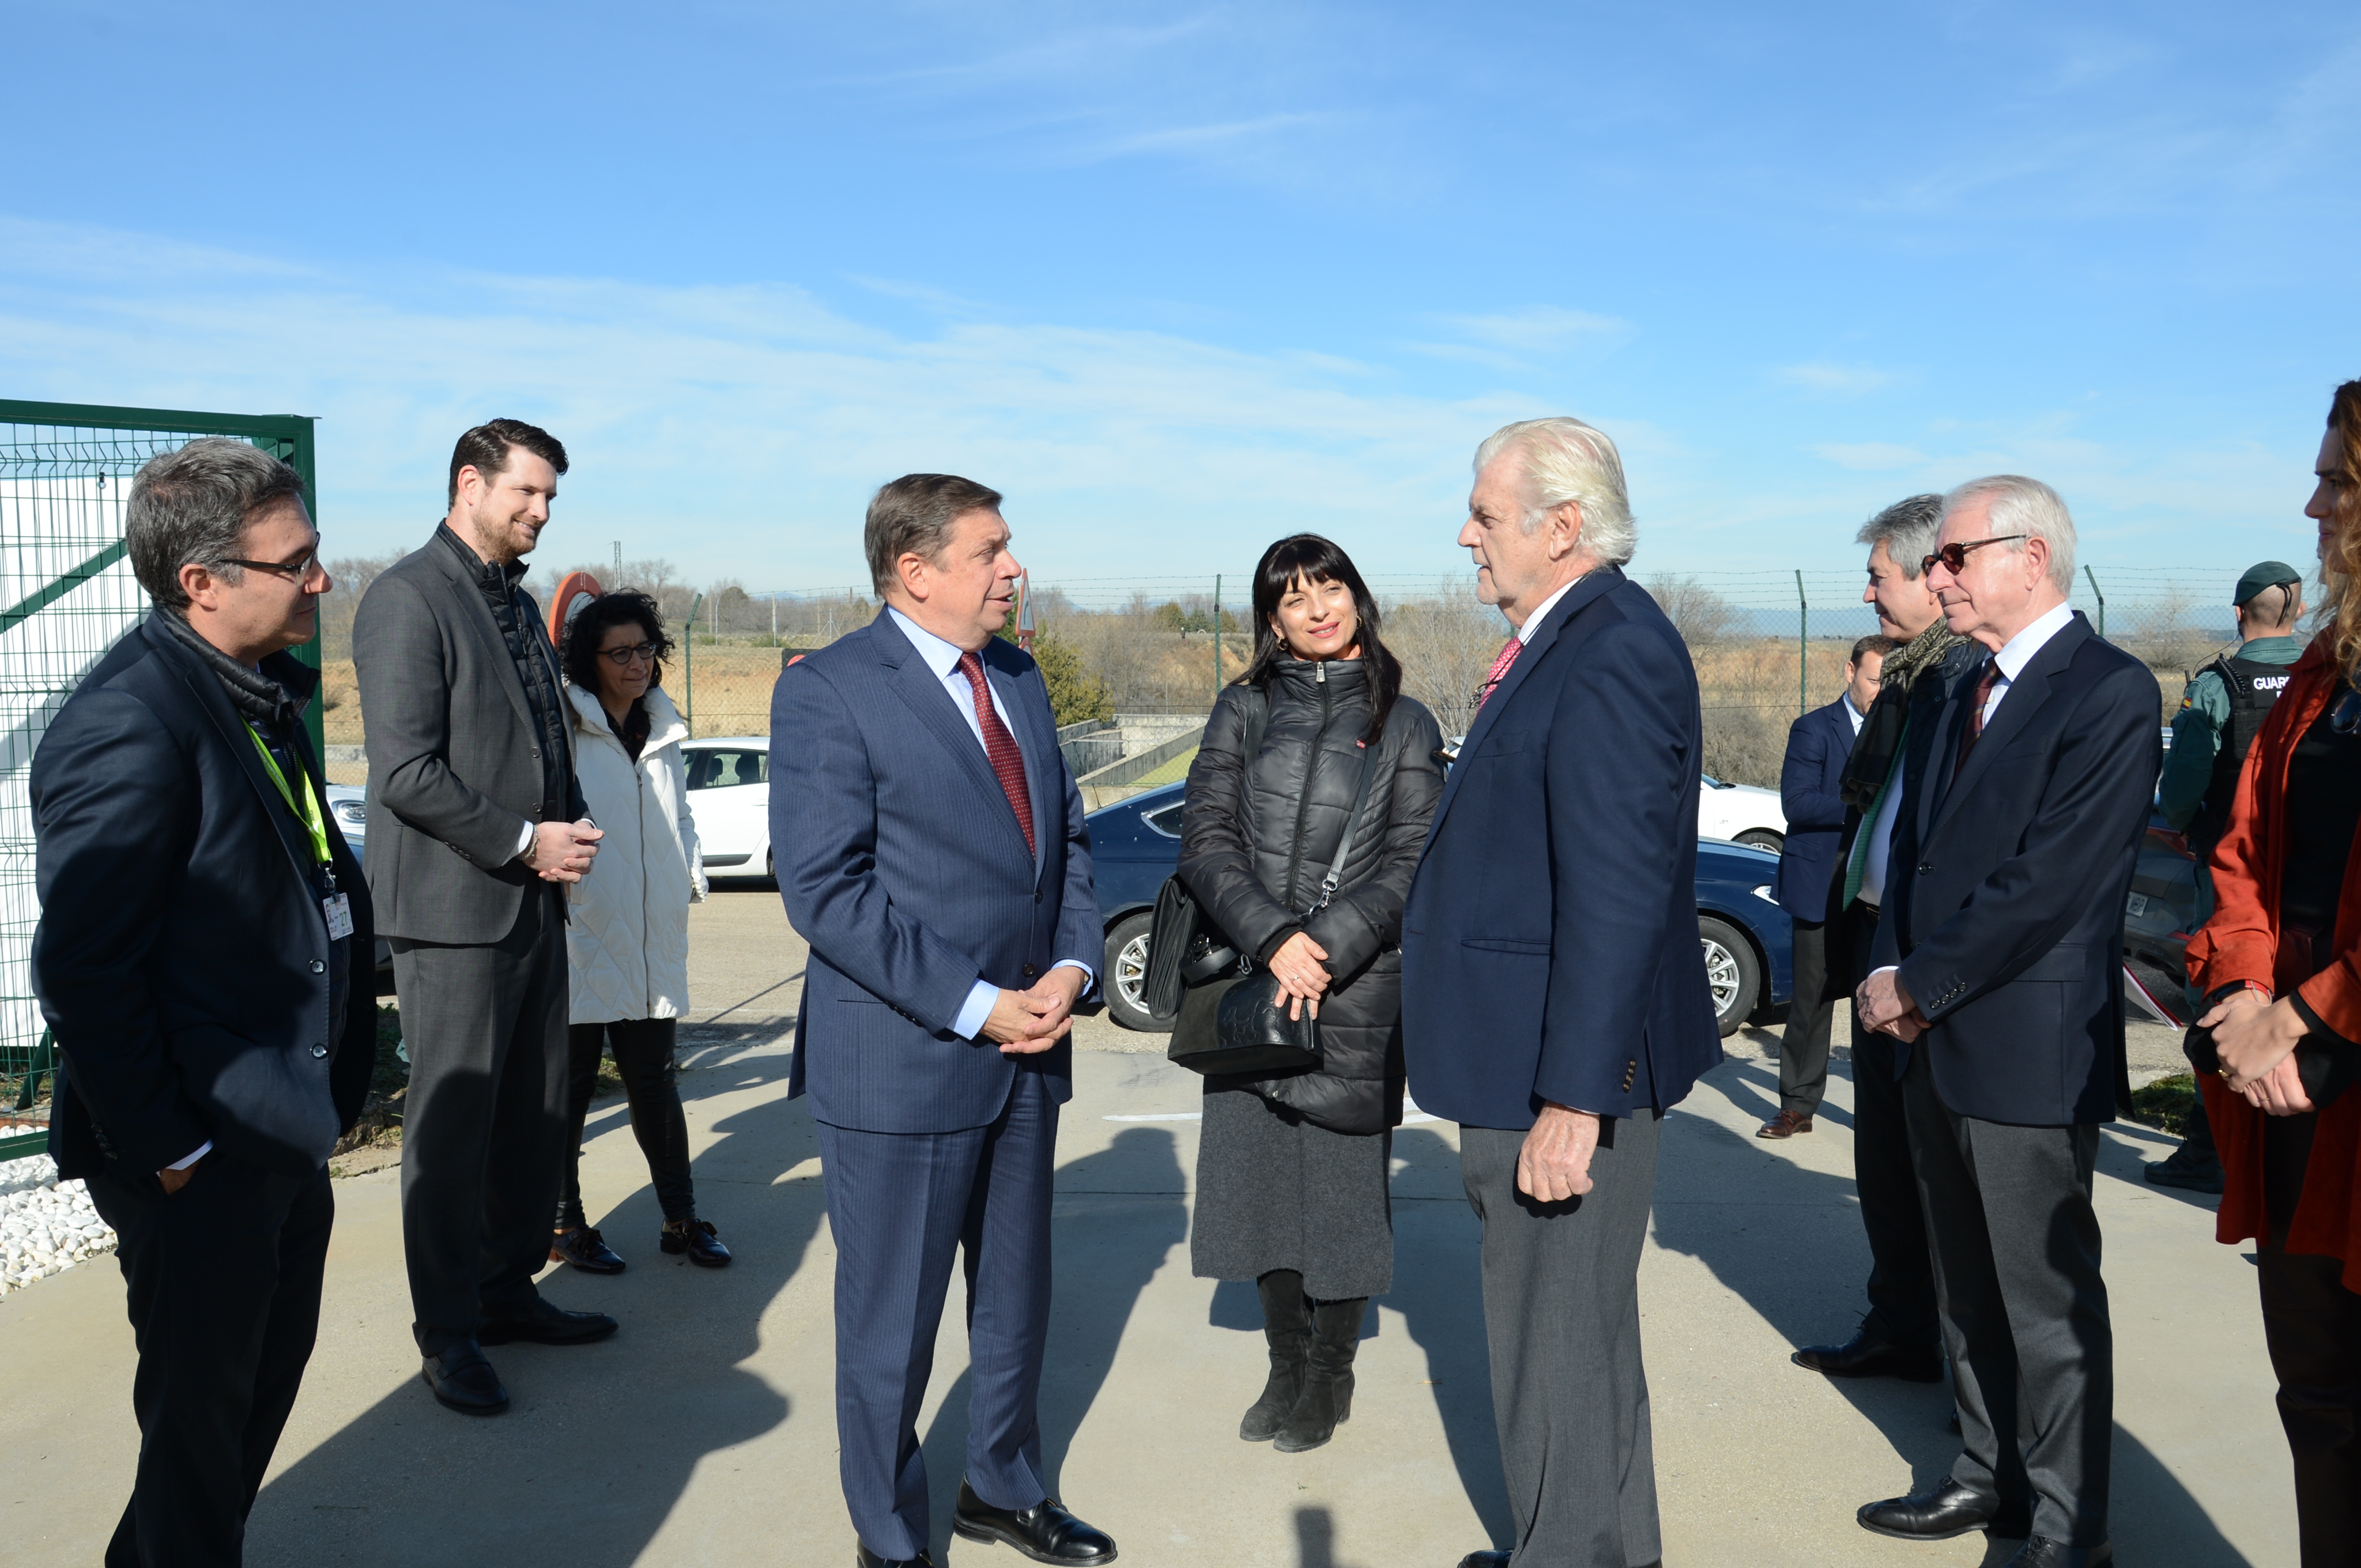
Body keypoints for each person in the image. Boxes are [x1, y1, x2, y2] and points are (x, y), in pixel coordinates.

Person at [29, 438, 378, 1565]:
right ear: (202, 582)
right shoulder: (130, 722)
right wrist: (172, 1149)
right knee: (197, 1430)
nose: (321, 577)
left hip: (273, 1125)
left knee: (239, 1412)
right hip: (199, 1148)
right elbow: (85, 969)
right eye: (296, 560)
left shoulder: (250, 691)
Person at [772, 474, 1114, 1568]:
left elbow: (1064, 840)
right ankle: (890, 1536)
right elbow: (826, 892)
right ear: (915, 572)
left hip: (1031, 1048)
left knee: (1015, 1299)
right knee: (892, 1329)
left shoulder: (1015, 675)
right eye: (991, 551)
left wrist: (1073, 964)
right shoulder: (830, 690)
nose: (1015, 569)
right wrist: (979, 1007)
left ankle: (1001, 1486)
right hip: (905, 1062)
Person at [1402, 417, 1723, 1568]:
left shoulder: (1609, 650)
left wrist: (1574, 1100)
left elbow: (1616, 896)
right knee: (1574, 1344)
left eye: (1485, 515)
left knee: (1554, 1347)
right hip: (1525, 1058)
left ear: (1562, 526)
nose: (1466, 535)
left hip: (1553, 1074)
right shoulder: (1572, 638)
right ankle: (1596, 1547)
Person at [1853, 475, 2159, 1568]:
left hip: (2028, 1048)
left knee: (2046, 1304)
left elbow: (2051, 883)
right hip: (1930, 1042)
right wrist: (1893, 977)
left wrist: (1916, 986)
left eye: (1954, 555)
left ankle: (2071, 1534)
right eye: (1935, 560)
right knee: (1963, 1287)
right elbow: (1918, 856)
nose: (1936, 575)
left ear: (2030, 559)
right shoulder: (1956, 687)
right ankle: (1989, 1478)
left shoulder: (2109, 691)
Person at [352, 419, 611, 1418]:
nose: (541, 513)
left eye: (551, 498)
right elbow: (406, 772)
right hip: (456, 911)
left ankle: (505, 1295)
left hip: (534, 902)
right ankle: (448, 1334)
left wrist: (568, 826)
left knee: (535, 1118)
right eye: (526, 494)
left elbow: (539, 737)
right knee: (454, 1134)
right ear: (470, 483)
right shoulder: (407, 597)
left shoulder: (520, 600)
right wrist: (526, 841)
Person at [1176, 533, 1444, 1453]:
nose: (1316, 609)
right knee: (1257, 1195)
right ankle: (1284, 1365)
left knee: (1339, 1203)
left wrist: (1323, 947)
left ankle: (1331, 1375)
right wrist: (1274, 938)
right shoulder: (1243, 708)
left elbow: (1414, 860)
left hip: (1355, 989)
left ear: (1355, 597)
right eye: (1293, 598)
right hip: (1251, 985)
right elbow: (1205, 839)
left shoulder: (1405, 723)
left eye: (1327, 588)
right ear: (1273, 621)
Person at [2185, 380, 2361, 1567]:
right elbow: (2244, 849)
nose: (2312, 506)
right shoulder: (2322, 670)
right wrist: (2246, 996)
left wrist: (2303, 1016)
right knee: (2318, 1398)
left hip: (2323, 1053)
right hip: (2292, 1091)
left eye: (2336, 481)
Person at [1787, 495, 1967, 1384]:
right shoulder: (1910, 681)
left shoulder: (1966, 682)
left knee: (1941, 1176)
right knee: (1886, 1161)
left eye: (1878, 576)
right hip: (1875, 937)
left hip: (1930, 962)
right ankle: (1899, 1325)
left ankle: (1969, 1367)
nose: (1868, 594)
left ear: (1937, 576)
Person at [549, 590, 730, 1273]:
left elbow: (679, 815)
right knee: (568, 1088)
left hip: (652, 932)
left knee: (654, 1081)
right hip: (582, 929)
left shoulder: (663, 726)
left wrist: (691, 876)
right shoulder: (565, 726)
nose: (636, 663)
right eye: (619, 652)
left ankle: (681, 1218)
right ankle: (564, 1222)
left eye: (646, 648)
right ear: (588, 660)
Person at [2146, 560, 2306, 1194]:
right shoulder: (2331, 678)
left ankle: (2209, 1148)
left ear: (2238, 614)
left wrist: (2189, 828)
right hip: (2318, 876)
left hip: (2231, 873)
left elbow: (2183, 787)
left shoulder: (2218, 686)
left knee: (2220, 993)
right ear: (2298, 612)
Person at [1760, 632, 1895, 1139]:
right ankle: (1797, 1105)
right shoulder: (1814, 728)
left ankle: (1879, 1114)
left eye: (1889, 684)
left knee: (1874, 999)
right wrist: (1863, 804)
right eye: (1874, 680)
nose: (1880, 692)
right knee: (1811, 1001)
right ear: (1850, 672)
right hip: (1820, 886)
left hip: (1874, 893)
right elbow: (1796, 803)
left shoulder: (1900, 734)